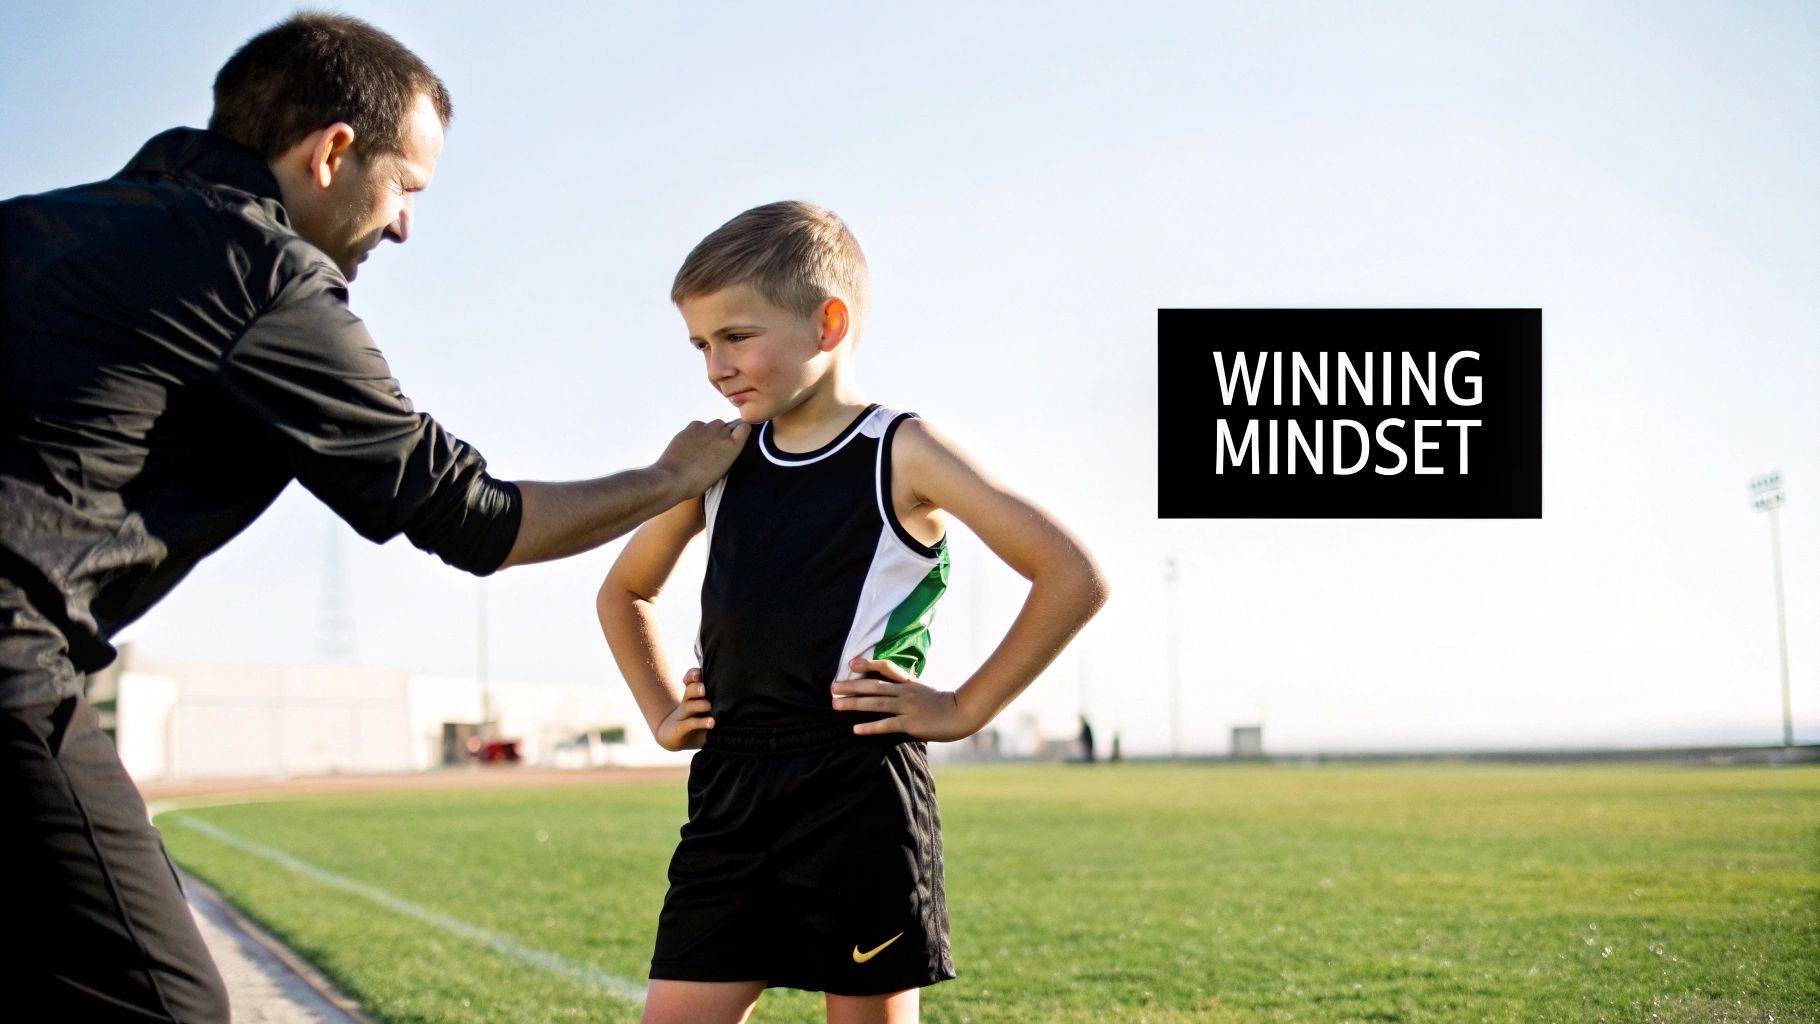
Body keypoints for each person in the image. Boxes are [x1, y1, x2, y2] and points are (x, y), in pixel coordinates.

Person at [0, 14, 746, 1021]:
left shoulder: (35, 223)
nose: (402, 225)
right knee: (166, 1005)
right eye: (406, 189)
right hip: (9, 657)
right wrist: (669, 476)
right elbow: (473, 516)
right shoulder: (262, 273)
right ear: (332, 152)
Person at [598, 201, 1109, 1024]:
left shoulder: (902, 450)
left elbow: (1071, 575)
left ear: (828, 323)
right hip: (729, 786)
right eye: (700, 345)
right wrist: (661, 711)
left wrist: (961, 707)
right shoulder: (718, 460)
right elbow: (624, 593)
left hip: (855, 786)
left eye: (736, 336)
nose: (715, 367)